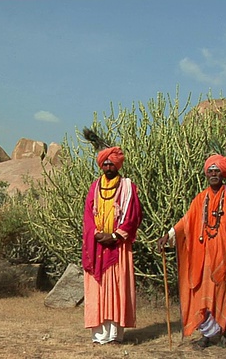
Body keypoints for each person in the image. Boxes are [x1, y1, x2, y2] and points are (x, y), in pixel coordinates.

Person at [157, 153, 226, 351]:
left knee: (222, 296)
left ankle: (221, 336)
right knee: (202, 295)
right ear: (206, 175)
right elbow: (186, 221)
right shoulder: (200, 199)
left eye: (217, 171)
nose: (213, 174)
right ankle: (206, 336)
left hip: (225, 257)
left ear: (223, 174)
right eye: (210, 171)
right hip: (203, 258)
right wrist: (168, 236)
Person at [82, 146, 143, 345]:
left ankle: (115, 335)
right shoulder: (94, 186)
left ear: (117, 165)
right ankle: (99, 335)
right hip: (98, 244)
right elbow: (88, 215)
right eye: (105, 163)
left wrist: (116, 235)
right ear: (102, 165)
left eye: (111, 163)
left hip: (119, 246)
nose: (108, 166)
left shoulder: (128, 187)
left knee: (118, 286)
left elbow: (133, 216)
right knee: (98, 289)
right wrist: (97, 234)